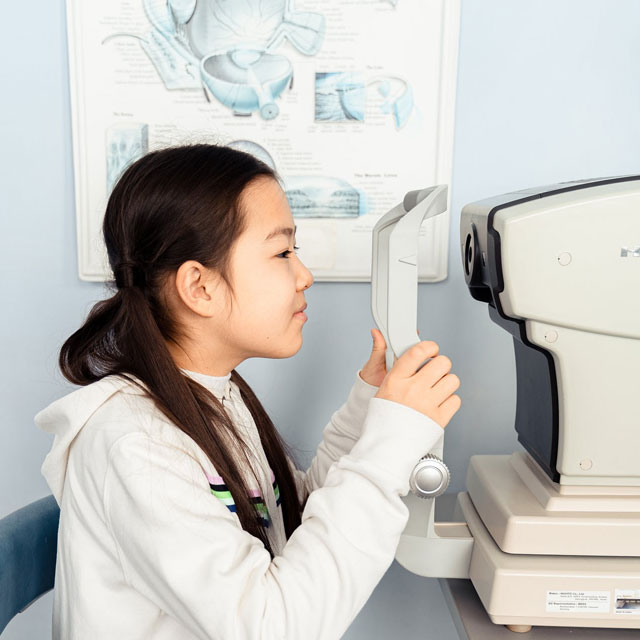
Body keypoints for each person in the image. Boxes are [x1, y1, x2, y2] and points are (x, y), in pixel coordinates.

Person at [35, 143, 461, 639]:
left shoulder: (213, 397)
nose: (304, 275)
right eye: (282, 252)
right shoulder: (136, 446)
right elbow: (272, 627)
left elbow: (290, 524)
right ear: (199, 287)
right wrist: (386, 454)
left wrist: (369, 411)